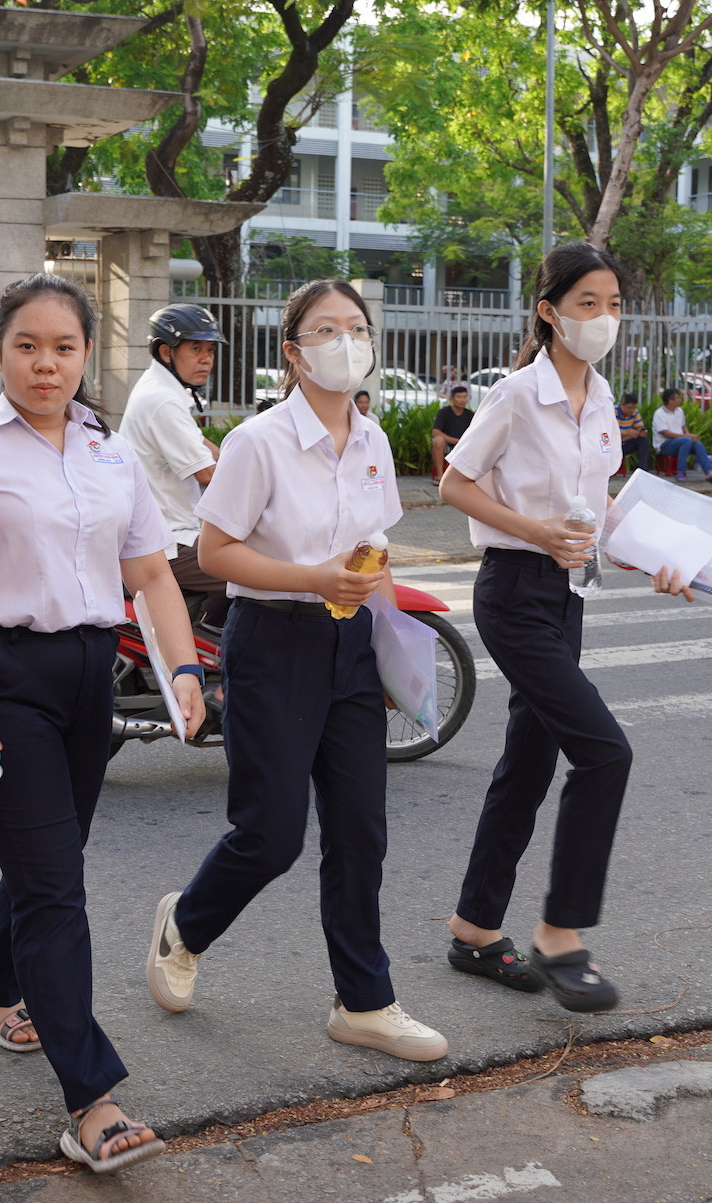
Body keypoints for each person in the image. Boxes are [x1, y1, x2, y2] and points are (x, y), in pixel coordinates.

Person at [0, 273, 204, 1176]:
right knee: (56, 887)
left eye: (63, 347)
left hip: (88, 674)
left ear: (84, 355)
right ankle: (91, 1099)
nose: (45, 363)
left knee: (50, 857)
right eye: (27, 345)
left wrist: (183, 665)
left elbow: (149, 574)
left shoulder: (109, 453)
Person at [146, 278, 451, 1066]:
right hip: (274, 642)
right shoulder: (260, 441)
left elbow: (373, 549)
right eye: (326, 329)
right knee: (270, 834)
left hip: (350, 646)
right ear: (293, 350)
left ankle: (365, 1000)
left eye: (356, 327)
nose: (345, 341)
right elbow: (215, 553)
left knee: (360, 831)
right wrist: (313, 577)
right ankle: (185, 926)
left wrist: (390, 648)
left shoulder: (374, 439)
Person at [436, 243, 698, 1014]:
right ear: (549, 311)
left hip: (565, 597)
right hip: (514, 592)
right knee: (605, 751)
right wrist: (536, 531)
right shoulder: (517, 394)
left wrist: (665, 561)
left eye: (614, 304)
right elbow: (453, 481)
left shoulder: (603, 395)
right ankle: (560, 934)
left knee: (529, 762)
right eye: (588, 303)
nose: (604, 318)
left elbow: (601, 512)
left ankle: (474, 926)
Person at [121, 303, 231, 628]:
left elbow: (208, 451)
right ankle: (227, 656)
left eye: (210, 349)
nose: (206, 358)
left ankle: (209, 631)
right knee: (260, 570)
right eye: (196, 348)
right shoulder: (162, 400)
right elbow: (209, 473)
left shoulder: (164, 391)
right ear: (166, 351)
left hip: (170, 532)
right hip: (168, 542)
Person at [652, 388, 712, 484]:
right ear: (670, 400)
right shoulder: (659, 413)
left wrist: (689, 435)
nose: (680, 400)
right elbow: (666, 433)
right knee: (686, 440)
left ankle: (709, 472)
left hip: (681, 442)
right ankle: (681, 472)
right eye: (677, 398)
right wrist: (686, 437)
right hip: (664, 445)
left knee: (697, 444)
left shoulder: (679, 411)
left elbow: (683, 427)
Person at [432, 384, 473, 482]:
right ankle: (440, 475)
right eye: (459, 397)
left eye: (464, 397)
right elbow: (435, 432)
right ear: (452, 399)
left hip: (464, 447)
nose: (462, 400)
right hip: (447, 446)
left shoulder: (470, 415)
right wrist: (456, 441)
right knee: (438, 440)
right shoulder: (444, 412)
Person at [615, 391, 651, 473]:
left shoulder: (635, 412)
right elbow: (608, 431)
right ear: (622, 405)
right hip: (613, 446)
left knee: (643, 440)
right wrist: (626, 432)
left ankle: (643, 471)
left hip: (625, 445)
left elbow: (640, 426)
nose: (632, 410)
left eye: (634, 407)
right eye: (629, 407)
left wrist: (642, 431)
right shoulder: (613, 411)